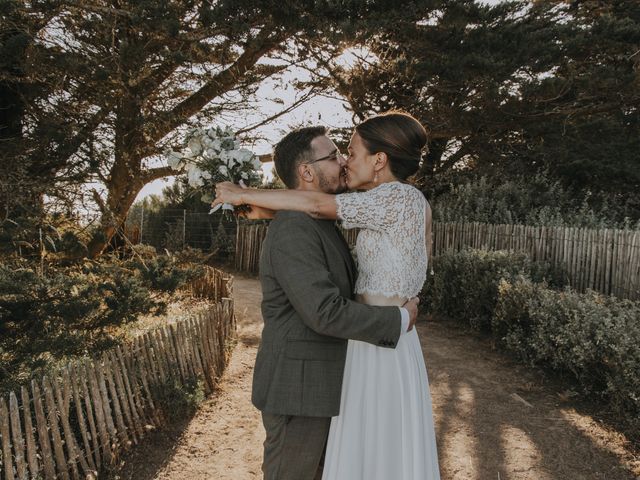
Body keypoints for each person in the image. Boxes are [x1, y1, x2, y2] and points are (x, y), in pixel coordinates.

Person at [213, 111, 441, 479]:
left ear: (379, 161)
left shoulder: (394, 199)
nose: (343, 162)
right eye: (336, 154)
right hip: (307, 383)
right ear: (307, 172)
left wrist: (245, 195)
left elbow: (317, 208)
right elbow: (324, 309)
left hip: (371, 355)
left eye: (349, 152)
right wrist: (264, 209)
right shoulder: (297, 227)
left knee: (375, 456)